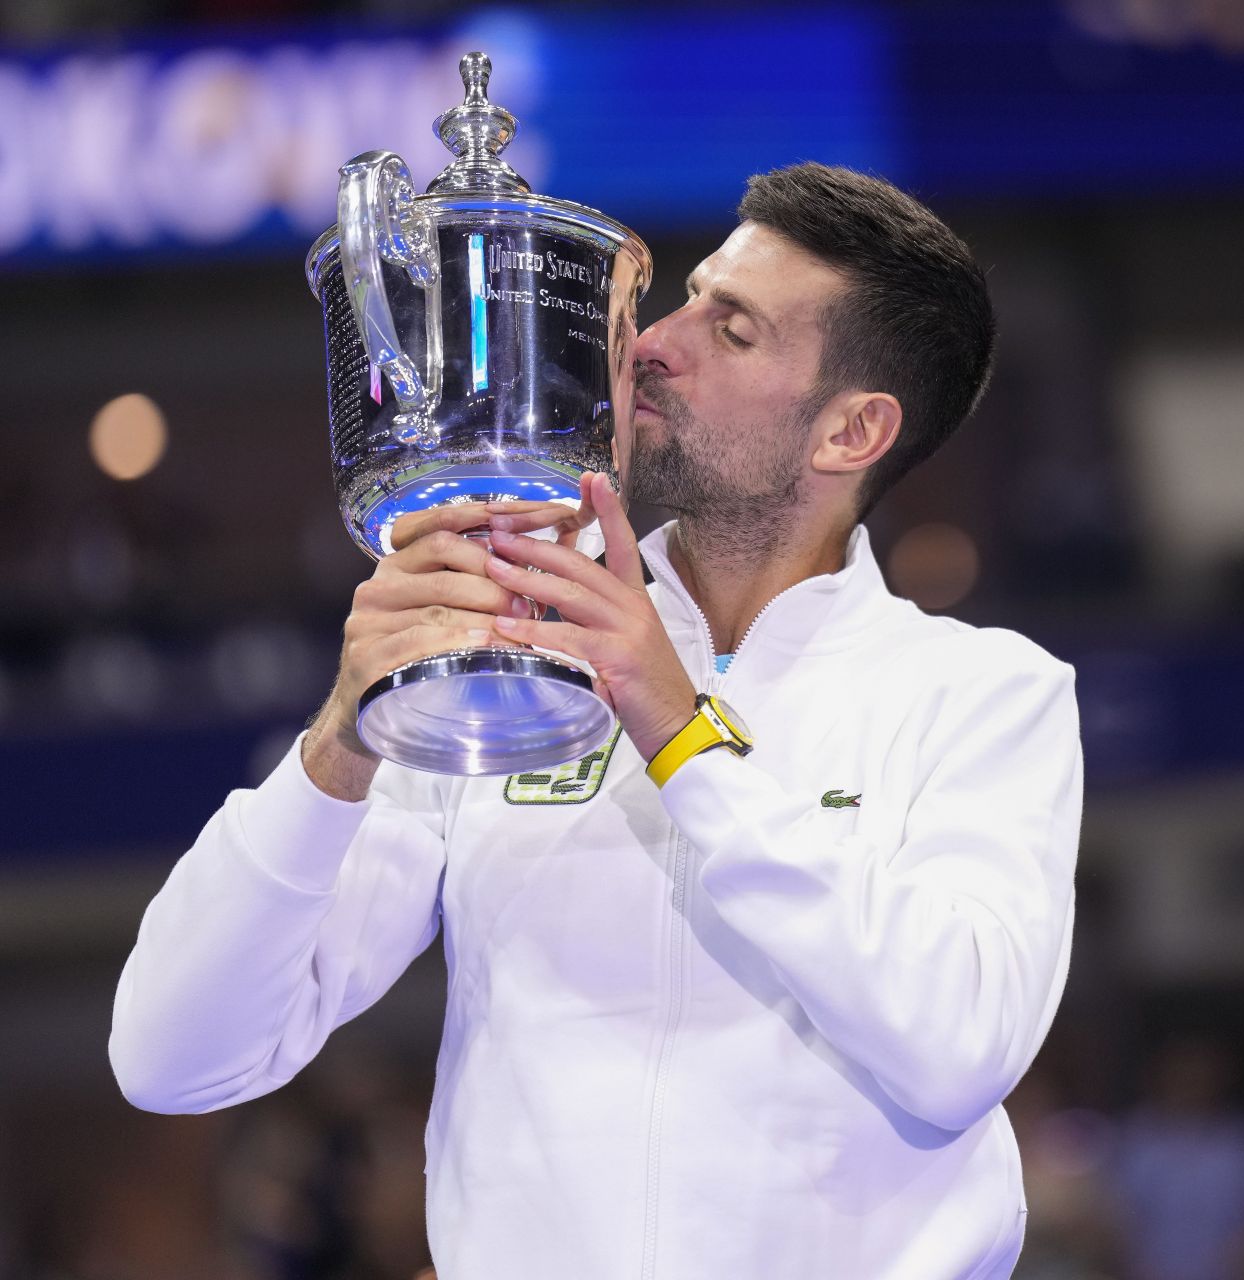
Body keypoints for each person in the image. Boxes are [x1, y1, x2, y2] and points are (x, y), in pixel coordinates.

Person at [109, 163, 1084, 1279]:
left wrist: (675, 721)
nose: (654, 342)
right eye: (682, 298)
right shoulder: (512, 660)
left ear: (851, 432)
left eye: (735, 329)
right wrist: (343, 735)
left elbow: (954, 1047)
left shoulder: (982, 695)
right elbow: (171, 1054)